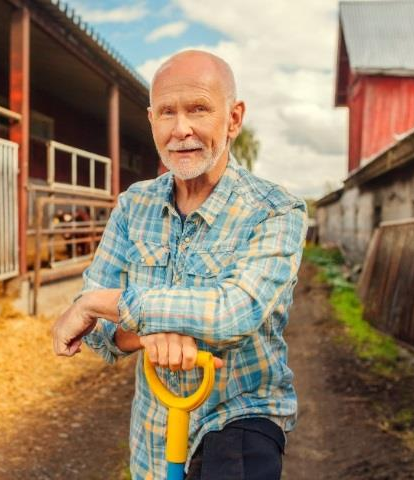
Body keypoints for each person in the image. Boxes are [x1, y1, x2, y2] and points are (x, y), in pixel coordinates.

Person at [51, 50, 307, 480]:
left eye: (199, 109)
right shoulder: (134, 206)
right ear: (151, 119)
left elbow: (234, 313)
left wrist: (98, 302)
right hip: (153, 435)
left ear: (233, 118)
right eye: (167, 112)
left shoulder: (276, 209)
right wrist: (157, 332)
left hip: (241, 417)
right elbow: (95, 335)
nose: (181, 129)